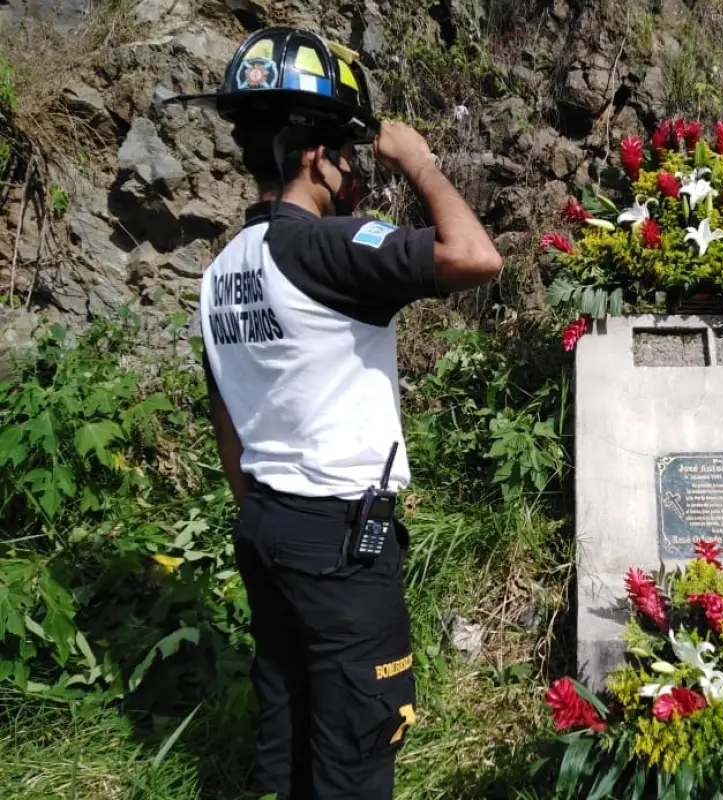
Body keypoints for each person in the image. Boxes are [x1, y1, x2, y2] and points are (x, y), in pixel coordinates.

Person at [161, 26, 502, 800]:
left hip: (268, 526)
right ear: (316, 155)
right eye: (345, 156)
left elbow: (228, 425)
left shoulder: (221, 272)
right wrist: (417, 160)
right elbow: (477, 256)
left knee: (286, 733)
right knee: (356, 743)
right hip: (341, 543)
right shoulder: (323, 246)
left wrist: (265, 518)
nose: (352, 172)